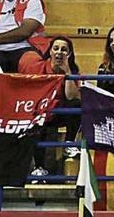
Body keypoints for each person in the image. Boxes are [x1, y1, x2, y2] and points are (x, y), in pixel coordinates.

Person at [19, 36, 82, 177]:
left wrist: (67, 72)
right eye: (56, 48)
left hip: (58, 112)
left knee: (76, 105)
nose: (59, 52)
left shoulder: (73, 72)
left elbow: (71, 96)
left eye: (64, 50)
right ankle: (39, 168)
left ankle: (69, 144)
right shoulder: (38, 68)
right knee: (36, 120)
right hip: (41, 110)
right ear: (51, 52)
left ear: (69, 54)